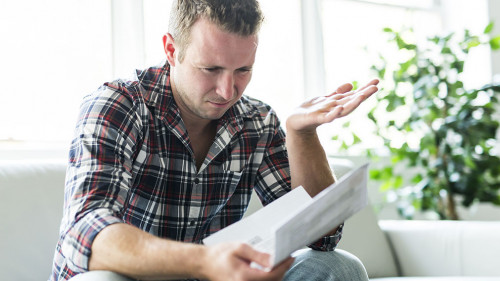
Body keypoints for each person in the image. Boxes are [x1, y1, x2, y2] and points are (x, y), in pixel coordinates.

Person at [50, 0, 379, 280]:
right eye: (210, 69)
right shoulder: (118, 105)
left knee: (335, 267)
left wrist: (302, 135)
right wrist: (205, 261)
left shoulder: (258, 122)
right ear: (171, 50)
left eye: (243, 71)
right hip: (132, 275)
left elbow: (323, 238)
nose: (227, 91)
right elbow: (86, 236)